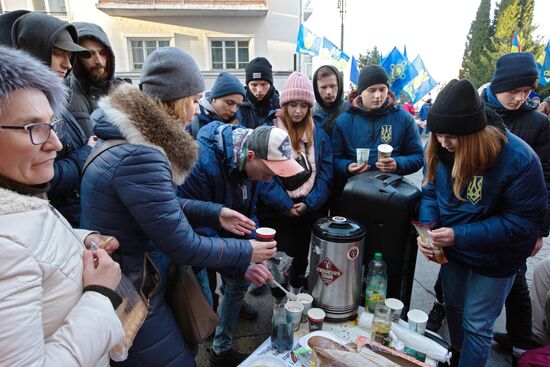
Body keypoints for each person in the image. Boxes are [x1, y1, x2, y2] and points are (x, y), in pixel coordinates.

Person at [79, 47, 276, 366]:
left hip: (127, 279)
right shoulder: (143, 155)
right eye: (195, 100)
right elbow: (184, 245)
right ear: (175, 100)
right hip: (136, 290)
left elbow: (159, 205)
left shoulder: (126, 140)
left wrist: (215, 213)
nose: (198, 110)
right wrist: (247, 252)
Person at [0, 45, 124, 366]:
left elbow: (36, 238)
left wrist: (81, 238)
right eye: (33, 128)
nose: (55, 143)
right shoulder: (5, 246)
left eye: (51, 125)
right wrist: (100, 295)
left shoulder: (19, 194)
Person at [417, 79, 547, 367]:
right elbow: (429, 192)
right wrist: (429, 229)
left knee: (477, 324)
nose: (443, 143)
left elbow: (521, 225)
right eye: (437, 134)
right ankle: (459, 357)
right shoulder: (437, 148)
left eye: (451, 136)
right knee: (454, 308)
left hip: (496, 259)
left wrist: (457, 235)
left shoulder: (519, 159)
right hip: (453, 253)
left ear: (473, 132)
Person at [179, 124, 303, 366]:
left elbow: (249, 209)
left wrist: (252, 244)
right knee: (200, 304)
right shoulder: (201, 162)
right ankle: (196, 350)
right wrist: (239, 262)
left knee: (240, 280)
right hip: (195, 242)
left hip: (226, 232)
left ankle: (221, 349)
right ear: (250, 156)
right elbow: (196, 229)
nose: (270, 178)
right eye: (269, 171)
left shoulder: (249, 162)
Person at [478, 52, 550, 359]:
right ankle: (442, 308)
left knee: (515, 277)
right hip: (475, 210)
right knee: (455, 265)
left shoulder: (539, 124)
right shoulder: (475, 112)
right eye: (513, 91)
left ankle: (522, 342)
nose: (520, 98)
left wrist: (540, 229)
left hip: (516, 218)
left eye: (526, 92)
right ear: (497, 85)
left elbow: (546, 180)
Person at [1, 11, 97, 227]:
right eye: (57, 53)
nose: (68, 64)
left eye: (69, 55)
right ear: (32, 51)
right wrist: (85, 154)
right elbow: (44, 177)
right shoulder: (14, 106)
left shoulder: (58, 100)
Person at [258, 71, 333, 293]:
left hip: (307, 209)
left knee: (301, 255)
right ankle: (279, 300)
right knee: (278, 259)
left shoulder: (318, 131)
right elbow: (263, 174)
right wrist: (285, 204)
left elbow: (326, 172)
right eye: (293, 105)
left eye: (303, 105)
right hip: (278, 211)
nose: (298, 111)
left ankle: (297, 291)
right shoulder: (269, 128)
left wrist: (310, 203)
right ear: (285, 104)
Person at [332, 64, 423, 192]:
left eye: (382, 89)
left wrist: (398, 164)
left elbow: (418, 156)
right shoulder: (344, 121)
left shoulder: (403, 118)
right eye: (372, 90)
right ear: (361, 92)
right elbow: (334, 158)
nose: (378, 96)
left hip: (391, 194)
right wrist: (347, 167)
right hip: (356, 193)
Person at [68, 22, 121, 137]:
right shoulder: (64, 95)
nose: (99, 61)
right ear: (75, 58)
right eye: (89, 54)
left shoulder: (124, 91)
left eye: (102, 53)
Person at [188, 71, 245, 139]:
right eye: (229, 103)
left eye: (238, 106)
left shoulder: (239, 120)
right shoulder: (192, 119)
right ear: (214, 98)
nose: (234, 110)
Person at [237, 57, 280, 129]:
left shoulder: (280, 105)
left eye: (263, 84)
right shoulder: (237, 106)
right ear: (248, 85)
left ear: (270, 84)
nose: (259, 90)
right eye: (254, 85)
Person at [312, 64, 350, 137]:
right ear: (316, 89)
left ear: (339, 85)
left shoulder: (350, 111)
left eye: (332, 86)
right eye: (323, 87)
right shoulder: (311, 113)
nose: (328, 92)